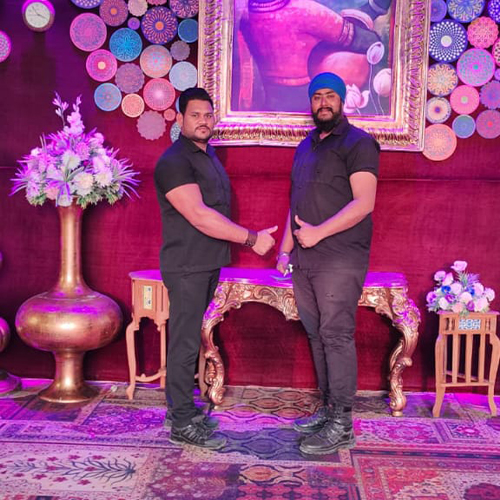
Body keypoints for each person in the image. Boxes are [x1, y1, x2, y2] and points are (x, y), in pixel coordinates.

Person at [154, 87, 277, 450]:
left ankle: (182, 411)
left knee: (190, 340)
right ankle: (181, 422)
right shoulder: (174, 161)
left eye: (208, 115)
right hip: (187, 265)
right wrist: (252, 239)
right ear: (180, 119)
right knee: (184, 342)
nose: (203, 121)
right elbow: (199, 215)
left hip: (206, 264)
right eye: (195, 115)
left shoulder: (207, 156)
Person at [276, 72, 379, 455]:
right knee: (317, 335)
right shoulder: (305, 147)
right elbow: (295, 203)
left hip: (340, 257)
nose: (323, 102)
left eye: (330, 95)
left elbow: (364, 203)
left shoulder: (359, 143)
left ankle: (343, 423)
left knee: (336, 335)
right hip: (304, 258)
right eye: (317, 96)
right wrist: (285, 250)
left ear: (342, 100)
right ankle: (329, 410)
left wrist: (318, 233)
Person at [237, 0, 388, 112]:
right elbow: (367, 41)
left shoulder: (246, 16)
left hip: (270, 104)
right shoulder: (303, 11)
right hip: (308, 105)